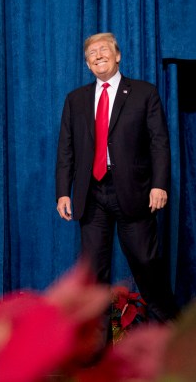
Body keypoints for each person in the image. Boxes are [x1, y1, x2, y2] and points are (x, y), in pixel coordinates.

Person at [55, 32, 179, 346]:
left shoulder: (143, 92)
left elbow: (159, 144)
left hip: (135, 193)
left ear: (117, 55)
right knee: (93, 276)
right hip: (91, 196)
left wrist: (159, 184)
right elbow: (66, 149)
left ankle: (168, 341)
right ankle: (98, 351)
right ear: (86, 63)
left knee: (147, 265)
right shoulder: (76, 99)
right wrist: (63, 191)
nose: (97, 55)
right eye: (91, 53)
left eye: (103, 50)